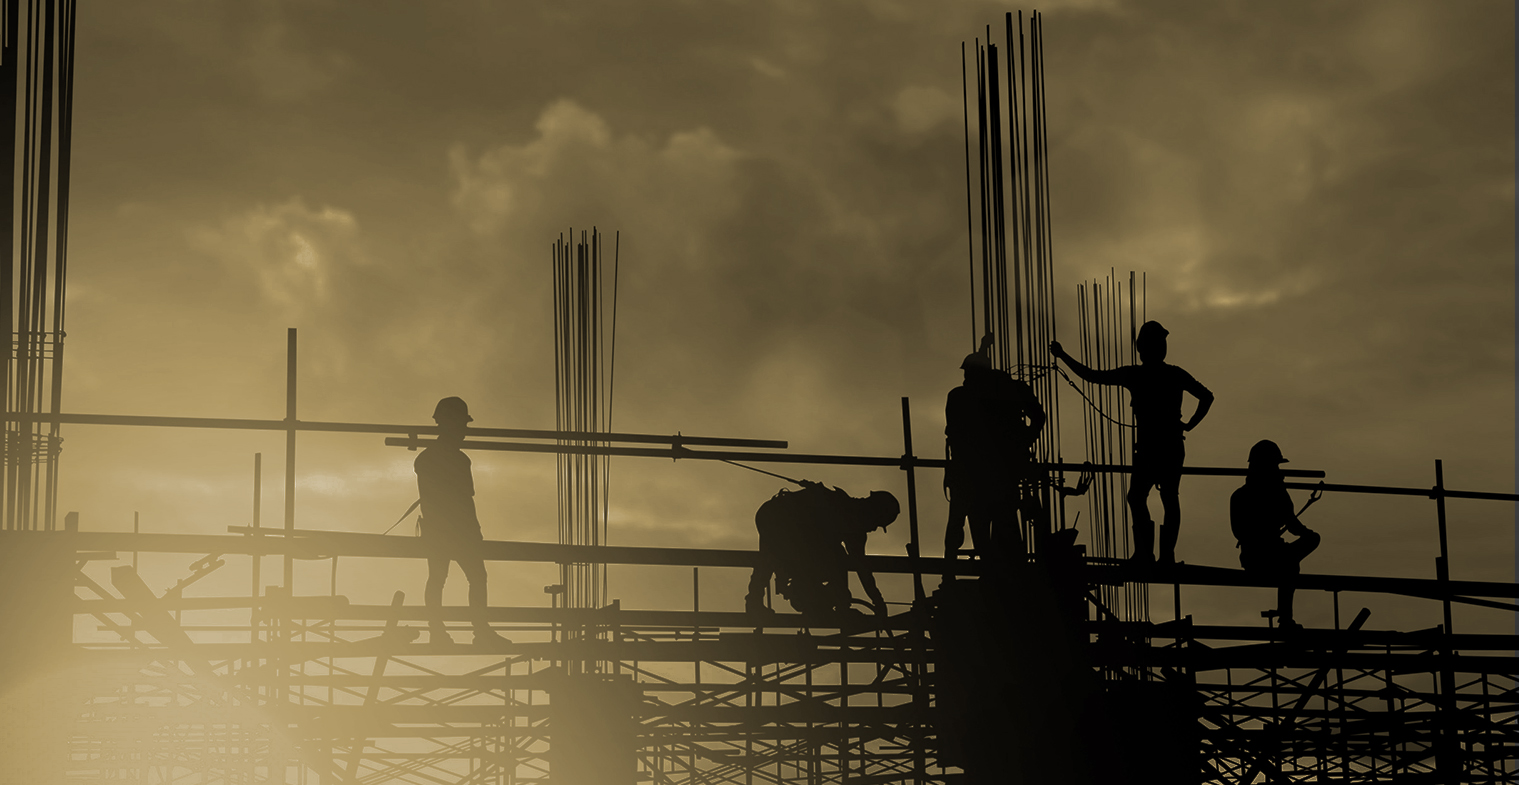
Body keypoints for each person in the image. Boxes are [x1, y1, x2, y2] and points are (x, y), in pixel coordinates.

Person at [1050, 321, 1213, 567]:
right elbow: (1207, 397)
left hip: (1152, 448)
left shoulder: (1137, 375)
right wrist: (1188, 425)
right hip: (1168, 447)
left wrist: (1063, 356)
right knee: (1162, 497)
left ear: (1141, 348)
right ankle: (1160, 556)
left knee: (1141, 497)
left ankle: (1148, 555)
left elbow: (1093, 376)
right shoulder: (1172, 374)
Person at [944, 335, 1046, 567]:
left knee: (984, 525)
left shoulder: (961, 396)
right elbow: (1038, 417)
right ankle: (1001, 573)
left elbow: (957, 431)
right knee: (998, 523)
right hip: (999, 472)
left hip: (973, 474)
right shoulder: (1007, 392)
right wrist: (1024, 443)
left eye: (968, 372)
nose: (964, 377)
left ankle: (986, 573)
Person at [416, 396, 506, 645]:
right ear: (449, 424)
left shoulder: (429, 458)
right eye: (462, 425)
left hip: (442, 531)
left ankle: (439, 631)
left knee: (440, 578)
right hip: (456, 531)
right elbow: (464, 499)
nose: (464, 431)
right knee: (471, 577)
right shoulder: (454, 459)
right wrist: (473, 532)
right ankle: (476, 630)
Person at [744, 482, 900, 618]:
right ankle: (756, 601)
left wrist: (877, 599)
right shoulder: (844, 511)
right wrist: (874, 601)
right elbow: (853, 565)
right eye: (877, 523)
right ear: (873, 512)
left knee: (772, 558)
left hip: (776, 516)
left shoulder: (852, 523)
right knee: (832, 556)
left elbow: (861, 567)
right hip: (779, 516)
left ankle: (756, 600)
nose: (874, 528)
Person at [1230, 439, 1321, 632]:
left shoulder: (1241, 495)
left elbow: (1290, 523)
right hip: (1262, 557)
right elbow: (1292, 524)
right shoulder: (1263, 494)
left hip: (1255, 556)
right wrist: (1307, 534)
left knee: (1291, 559)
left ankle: (1286, 618)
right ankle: (1286, 620)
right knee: (1290, 564)